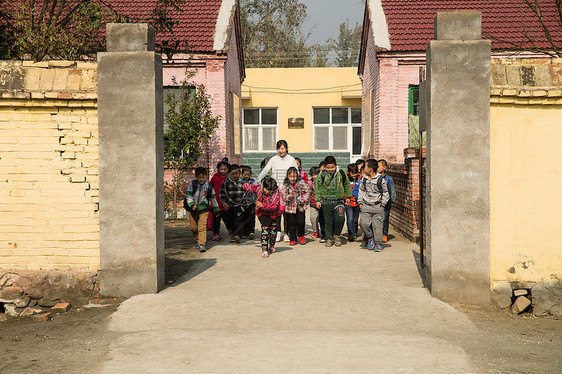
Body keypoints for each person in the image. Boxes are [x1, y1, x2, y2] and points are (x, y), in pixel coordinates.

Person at [257, 140, 298, 242]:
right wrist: (258, 181)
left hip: (288, 189)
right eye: (279, 148)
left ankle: (286, 233)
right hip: (275, 189)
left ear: (286, 149)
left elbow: (296, 172)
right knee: (277, 211)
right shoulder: (273, 159)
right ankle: (278, 232)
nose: (281, 150)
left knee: (287, 212)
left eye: (283, 148)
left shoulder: (291, 159)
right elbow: (265, 170)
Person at [314, 156, 351, 247]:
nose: (330, 169)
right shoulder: (321, 175)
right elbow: (317, 188)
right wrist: (318, 200)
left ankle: (337, 235)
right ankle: (329, 238)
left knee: (340, 218)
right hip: (326, 202)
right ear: (325, 167)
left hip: (339, 201)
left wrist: (348, 196)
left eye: (332, 167)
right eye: (328, 168)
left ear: (336, 165)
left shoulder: (341, 173)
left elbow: (347, 184)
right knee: (328, 221)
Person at [243, 178, 285, 258]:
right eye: (267, 190)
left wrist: (262, 205)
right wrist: (244, 185)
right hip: (263, 215)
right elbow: (252, 188)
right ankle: (265, 250)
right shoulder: (259, 188)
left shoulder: (276, 193)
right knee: (265, 233)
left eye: (271, 191)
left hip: (274, 215)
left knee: (273, 233)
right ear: (263, 186)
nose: (268, 192)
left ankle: (272, 246)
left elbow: (274, 207)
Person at [184, 167, 219, 252]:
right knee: (194, 228)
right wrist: (192, 205)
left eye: (203, 177)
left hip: (204, 209)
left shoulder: (209, 187)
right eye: (199, 177)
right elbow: (188, 196)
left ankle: (202, 244)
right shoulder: (193, 184)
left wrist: (216, 210)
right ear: (196, 176)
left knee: (202, 227)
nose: (201, 179)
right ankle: (196, 240)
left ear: (206, 176)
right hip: (193, 209)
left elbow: (213, 199)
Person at [358, 159, 390, 252]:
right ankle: (370, 237)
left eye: (366, 166)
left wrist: (383, 204)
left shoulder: (381, 180)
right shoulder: (364, 179)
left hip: (378, 206)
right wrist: (360, 202)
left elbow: (386, 193)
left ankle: (378, 243)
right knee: (363, 224)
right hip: (366, 206)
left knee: (378, 226)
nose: (364, 168)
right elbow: (361, 191)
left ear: (370, 169)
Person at [220, 164, 251, 244]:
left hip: (240, 205)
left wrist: (247, 201)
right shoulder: (225, 182)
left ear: (240, 174)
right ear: (229, 173)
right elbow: (222, 193)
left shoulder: (243, 182)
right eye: (233, 174)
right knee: (232, 221)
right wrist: (223, 203)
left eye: (236, 174)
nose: (235, 176)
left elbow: (248, 193)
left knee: (238, 220)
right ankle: (234, 234)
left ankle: (238, 235)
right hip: (230, 206)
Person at [282, 167, 310, 245]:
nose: (292, 178)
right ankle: (293, 239)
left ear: (297, 176)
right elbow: (283, 194)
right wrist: (288, 196)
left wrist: (304, 199)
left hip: (300, 206)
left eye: (294, 176)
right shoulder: (285, 183)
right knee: (291, 223)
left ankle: (301, 236)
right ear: (287, 176)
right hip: (290, 207)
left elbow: (307, 191)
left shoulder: (301, 182)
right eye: (290, 176)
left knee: (301, 222)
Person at [210, 160, 229, 241]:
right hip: (216, 203)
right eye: (222, 169)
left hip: (225, 203)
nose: (223, 171)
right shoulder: (215, 177)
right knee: (216, 220)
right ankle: (216, 233)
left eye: (225, 169)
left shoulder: (229, 178)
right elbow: (210, 186)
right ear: (218, 169)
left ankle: (230, 231)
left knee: (227, 219)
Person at [378, 159, 396, 243]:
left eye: (378, 166)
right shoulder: (375, 178)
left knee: (385, 219)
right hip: (377, 203)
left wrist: (391, 201)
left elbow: (392, 191)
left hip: (386, 203)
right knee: (377, 219)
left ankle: (384, 234)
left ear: (384, 168)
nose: (377, 168)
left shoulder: (389, 179)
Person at [345, 163, 360, 242]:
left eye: (355, 173)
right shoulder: (346, 179)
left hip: (357, 202)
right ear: (349, 172)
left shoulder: (360, 179)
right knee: (350, 218)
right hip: (349, 203)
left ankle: (355, 232)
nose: (354, 175)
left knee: (355, 219)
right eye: (352, 173)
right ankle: (351, 234)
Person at [308, 167, 324, 239]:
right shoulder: (309, 182)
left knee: (322, 219)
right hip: (312, 203)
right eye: (312, 175)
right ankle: (315, 231)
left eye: (315, 175)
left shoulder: (322, 182)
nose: (314, 177)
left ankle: (324, 232)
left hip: (321, 203)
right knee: (312, 217)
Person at [241, 165, 256, 240]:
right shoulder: (240, 182)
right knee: (244, 217)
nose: (247, 176)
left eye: (248, 174)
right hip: (243, 203)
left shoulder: (253, 182)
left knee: (251, 217)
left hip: (252, 203)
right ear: (242, 174)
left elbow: (254, 192)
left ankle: (251, 232)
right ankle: (244, 232)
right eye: (245, 174)